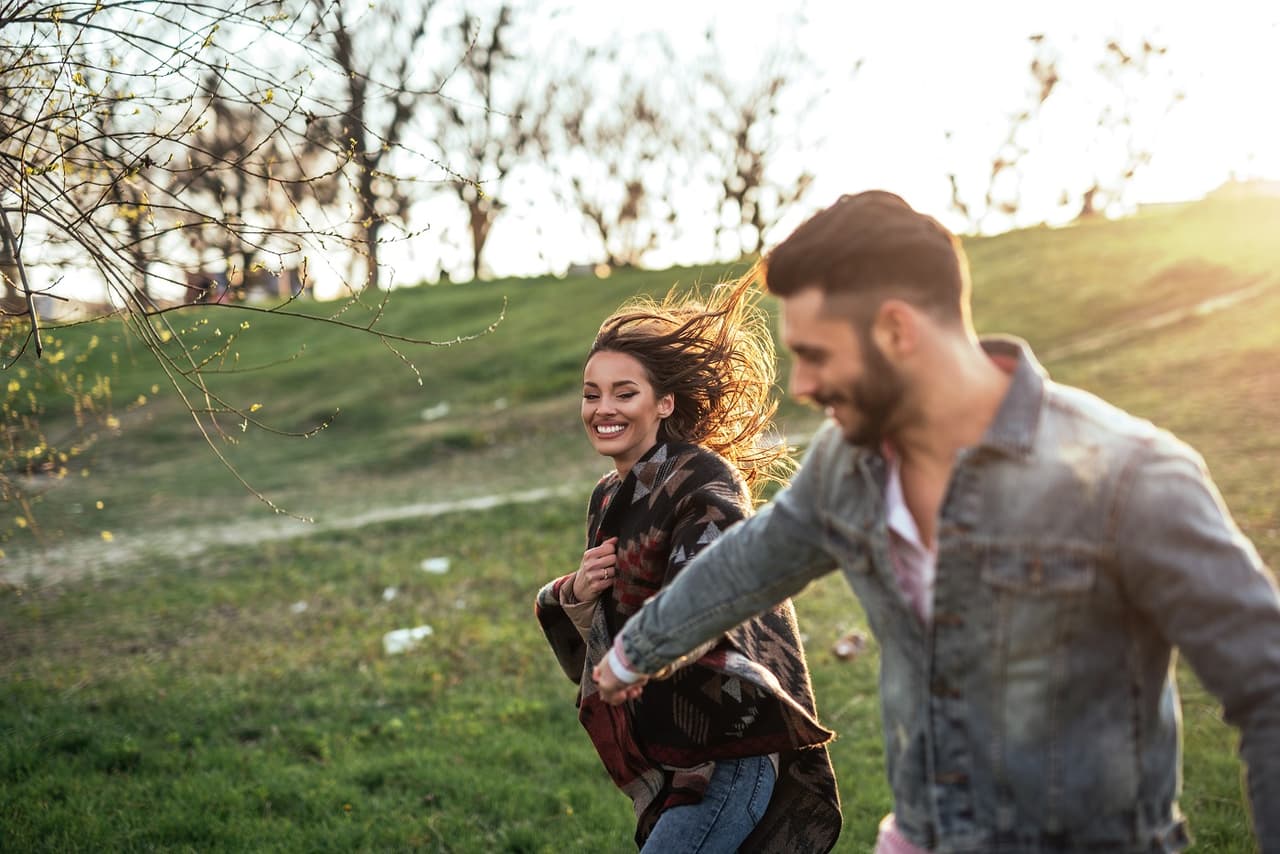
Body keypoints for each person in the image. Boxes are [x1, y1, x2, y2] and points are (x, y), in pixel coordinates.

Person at [593, 191, 1280, 852]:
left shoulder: (1129, 477)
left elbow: (1266, 687)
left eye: (815, 355)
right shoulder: (848, 464)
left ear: (898, 329)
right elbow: (753, 561)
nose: (799, 387)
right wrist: (636, 651)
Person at [535, 269, 842, 852]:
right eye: (591, 393)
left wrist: (647, 644)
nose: (603, 408)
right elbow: (607, 625)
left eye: (625, 393)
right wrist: (576, 592)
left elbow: (714, 583)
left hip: (729, 748)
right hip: (669, 752)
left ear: (664, 402)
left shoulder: (702, 475)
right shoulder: (607, 496)